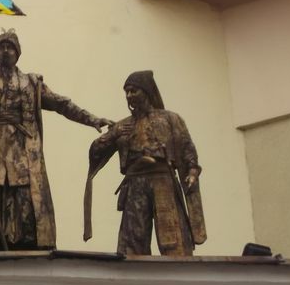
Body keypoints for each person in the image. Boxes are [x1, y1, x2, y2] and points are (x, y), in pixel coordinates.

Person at [0, 20, 113, 250]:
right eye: (2, 47)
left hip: (21, 149)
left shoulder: (31, 83)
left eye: (10, 47)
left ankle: (21, 237)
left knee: (22, 191)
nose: (6, 51)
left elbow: (61, 104)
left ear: (17, 53)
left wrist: (91, 118)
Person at [84, 70, 206, 256]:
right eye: (126, 92)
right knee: (133, 241)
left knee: (173, 237)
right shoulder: (123, 125)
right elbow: (95, 152)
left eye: (133, 91)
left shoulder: (170, 119)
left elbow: (187, 149)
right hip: (135, 184)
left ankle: (179, 271)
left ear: (147, 91)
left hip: (163, 181)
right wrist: (115, 134)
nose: (129, 96)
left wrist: (191, 172)